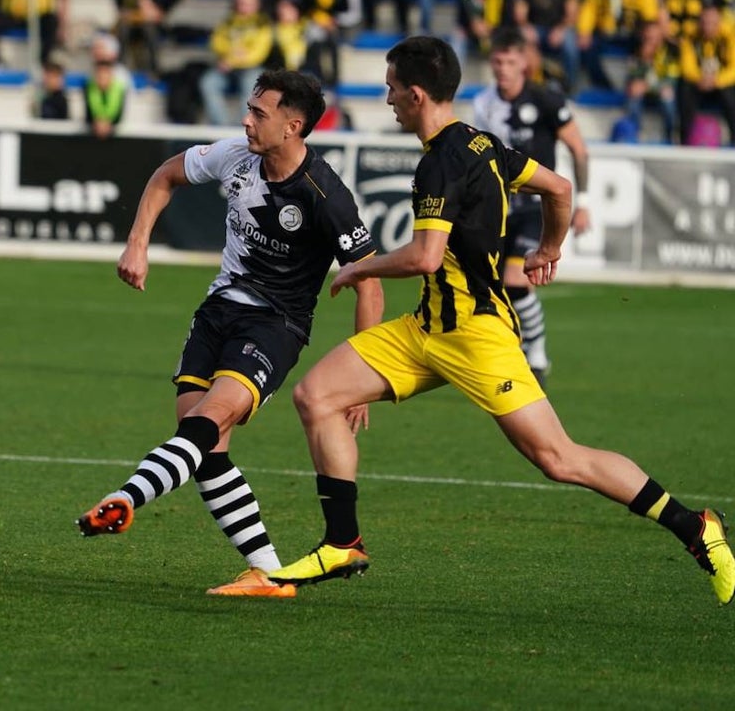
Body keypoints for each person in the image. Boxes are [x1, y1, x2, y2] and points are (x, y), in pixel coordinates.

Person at [266, 35, 734, 609]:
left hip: (476, 334)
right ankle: (343, 543)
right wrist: (549, 248)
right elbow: (558, 188)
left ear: (416, 94)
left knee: (559, 458)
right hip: (426, 329)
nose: (387, 98)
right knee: (317, 396)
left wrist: (359, 270)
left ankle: (695, 527)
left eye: (391, 89)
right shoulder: (485, 143)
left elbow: (424, 257)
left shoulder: (439, 162)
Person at [76, 69, 384, 598]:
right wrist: (137, 243)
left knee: (207, 421)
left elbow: (369, 282)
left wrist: (366, 376)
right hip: (217, 310)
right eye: (248, 108)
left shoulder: (324, 194)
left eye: (259, 114)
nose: (246, 120)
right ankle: (268, 574)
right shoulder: (235, 155)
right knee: (205, 448)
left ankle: (126, 499)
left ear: (293, 126)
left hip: (276, 326)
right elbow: (165, 176)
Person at [471, 26, 590, 382]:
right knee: (489, 284)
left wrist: (582, 202)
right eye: (497, 61)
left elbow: (579, 151)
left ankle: (535, 354)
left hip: (537, 205)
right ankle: (505, 351)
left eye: (510, 61)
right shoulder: (483, 103)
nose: (502, 68)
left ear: (524, 63)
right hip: (498, 206)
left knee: (515, 278)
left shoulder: (547, 101)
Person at [198, 0, 274, 125]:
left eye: (247, 3)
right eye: (240, 1)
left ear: (256, 3)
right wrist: (231, 55)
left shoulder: (262, 23)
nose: (243, 6)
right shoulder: (228, 21)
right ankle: (223, 128)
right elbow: (216, 42)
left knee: (250, 83)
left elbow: (258, 54)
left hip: (252, 69)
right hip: (227, 69)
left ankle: (243, 127)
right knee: (208, 82)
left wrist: (231, 60)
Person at [677, 1, 735, 145]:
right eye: (704, 22)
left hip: (721, 82)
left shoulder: (730, 35)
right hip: (699, 82)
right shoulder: (690, 36)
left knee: (729, 95)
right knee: (684, 89)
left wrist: (716, 80)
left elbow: (733, 68)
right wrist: (701, 79)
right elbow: (687, 67)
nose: (708, 27)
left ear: (719, 22)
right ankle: (685, 140)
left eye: (712, 23)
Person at [83, 57, 126, 138]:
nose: (102, 76)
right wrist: (98, 123)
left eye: (105, 73)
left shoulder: (120, 89)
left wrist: (108, 124)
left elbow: (119, 115)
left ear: (111, 74)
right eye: (99, 73)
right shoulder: (88, 88)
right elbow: (88, 115)